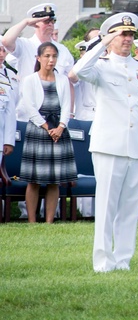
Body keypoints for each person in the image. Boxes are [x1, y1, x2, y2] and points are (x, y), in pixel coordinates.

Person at [70, 13, 138, 272]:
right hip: (109, 145)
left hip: (137, 144)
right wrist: (102, 42)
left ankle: (123, 259)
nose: (128, 39)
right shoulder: (101, 66)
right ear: (111, 38)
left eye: (131, 35)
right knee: (107, 204)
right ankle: (103, 261)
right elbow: (78, 71)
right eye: (122, 35)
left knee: (130, 205)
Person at [17, 43, 75, 223]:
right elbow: (30, 107)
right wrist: (46, 127)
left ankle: (49, 221)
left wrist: (61, 126)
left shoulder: (62, 79)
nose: (51, 60)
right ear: (39, 58)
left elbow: (67, 105)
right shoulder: (30, 80)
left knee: (54, 180)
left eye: (54, 56)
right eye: (47, 56)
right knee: (34, 179)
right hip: (38, 130)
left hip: (59, 132)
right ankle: (32, 221)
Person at [3, 3, 75, 119]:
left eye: (52, 20)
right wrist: (26, 22)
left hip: (56, 114)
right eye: (46, 21)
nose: (51, 24)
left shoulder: (62, 50)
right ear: (35, 23)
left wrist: (70, 113)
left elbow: (69, 82)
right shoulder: (25, 45)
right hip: (29, 113)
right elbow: (6, 41)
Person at [0, 42, 17, 173]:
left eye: (3, 51)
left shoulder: (6, 80)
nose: (1, 54)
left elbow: (10, 113)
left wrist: (9, 141)